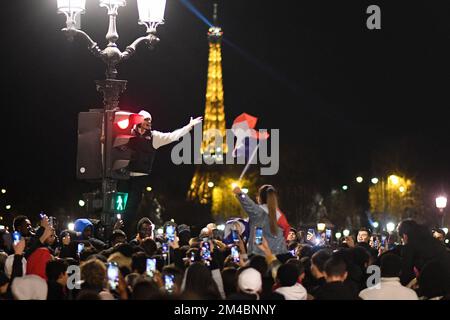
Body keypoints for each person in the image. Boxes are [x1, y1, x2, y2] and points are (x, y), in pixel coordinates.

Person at [120, 111, 203, 235]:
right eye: (146, 119)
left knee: (131, 208)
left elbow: (173, 136)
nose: (149, 122)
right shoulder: (127, 134)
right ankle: (117, 229)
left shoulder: (154, 137)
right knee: (117, 205)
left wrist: (189, 126)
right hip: (123, 176)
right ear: (138, 120)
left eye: (150, 120)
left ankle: (124, 232)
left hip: (139, 178)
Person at [233, 185, 289, 256]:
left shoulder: (259, 212)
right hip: (279, 257)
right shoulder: (281, 216)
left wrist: (240, 193)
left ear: (260, 197)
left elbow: (249, 204)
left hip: (259, 257)